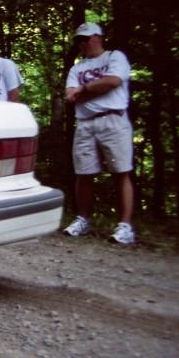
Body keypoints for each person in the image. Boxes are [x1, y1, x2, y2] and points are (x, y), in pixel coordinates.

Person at [63, 22, 135, 244]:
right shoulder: (76, 68)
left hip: (113, 119)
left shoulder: (115, 57)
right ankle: (83, 219)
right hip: (85, 123)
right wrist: (97, 88)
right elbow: (69, 96)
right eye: (79, 40)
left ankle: (125, 226)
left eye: (87, 38)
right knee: (83, 173)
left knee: (120, 171)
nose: (83, 44)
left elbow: (113, 81)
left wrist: (84, 89)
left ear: (98, 38)